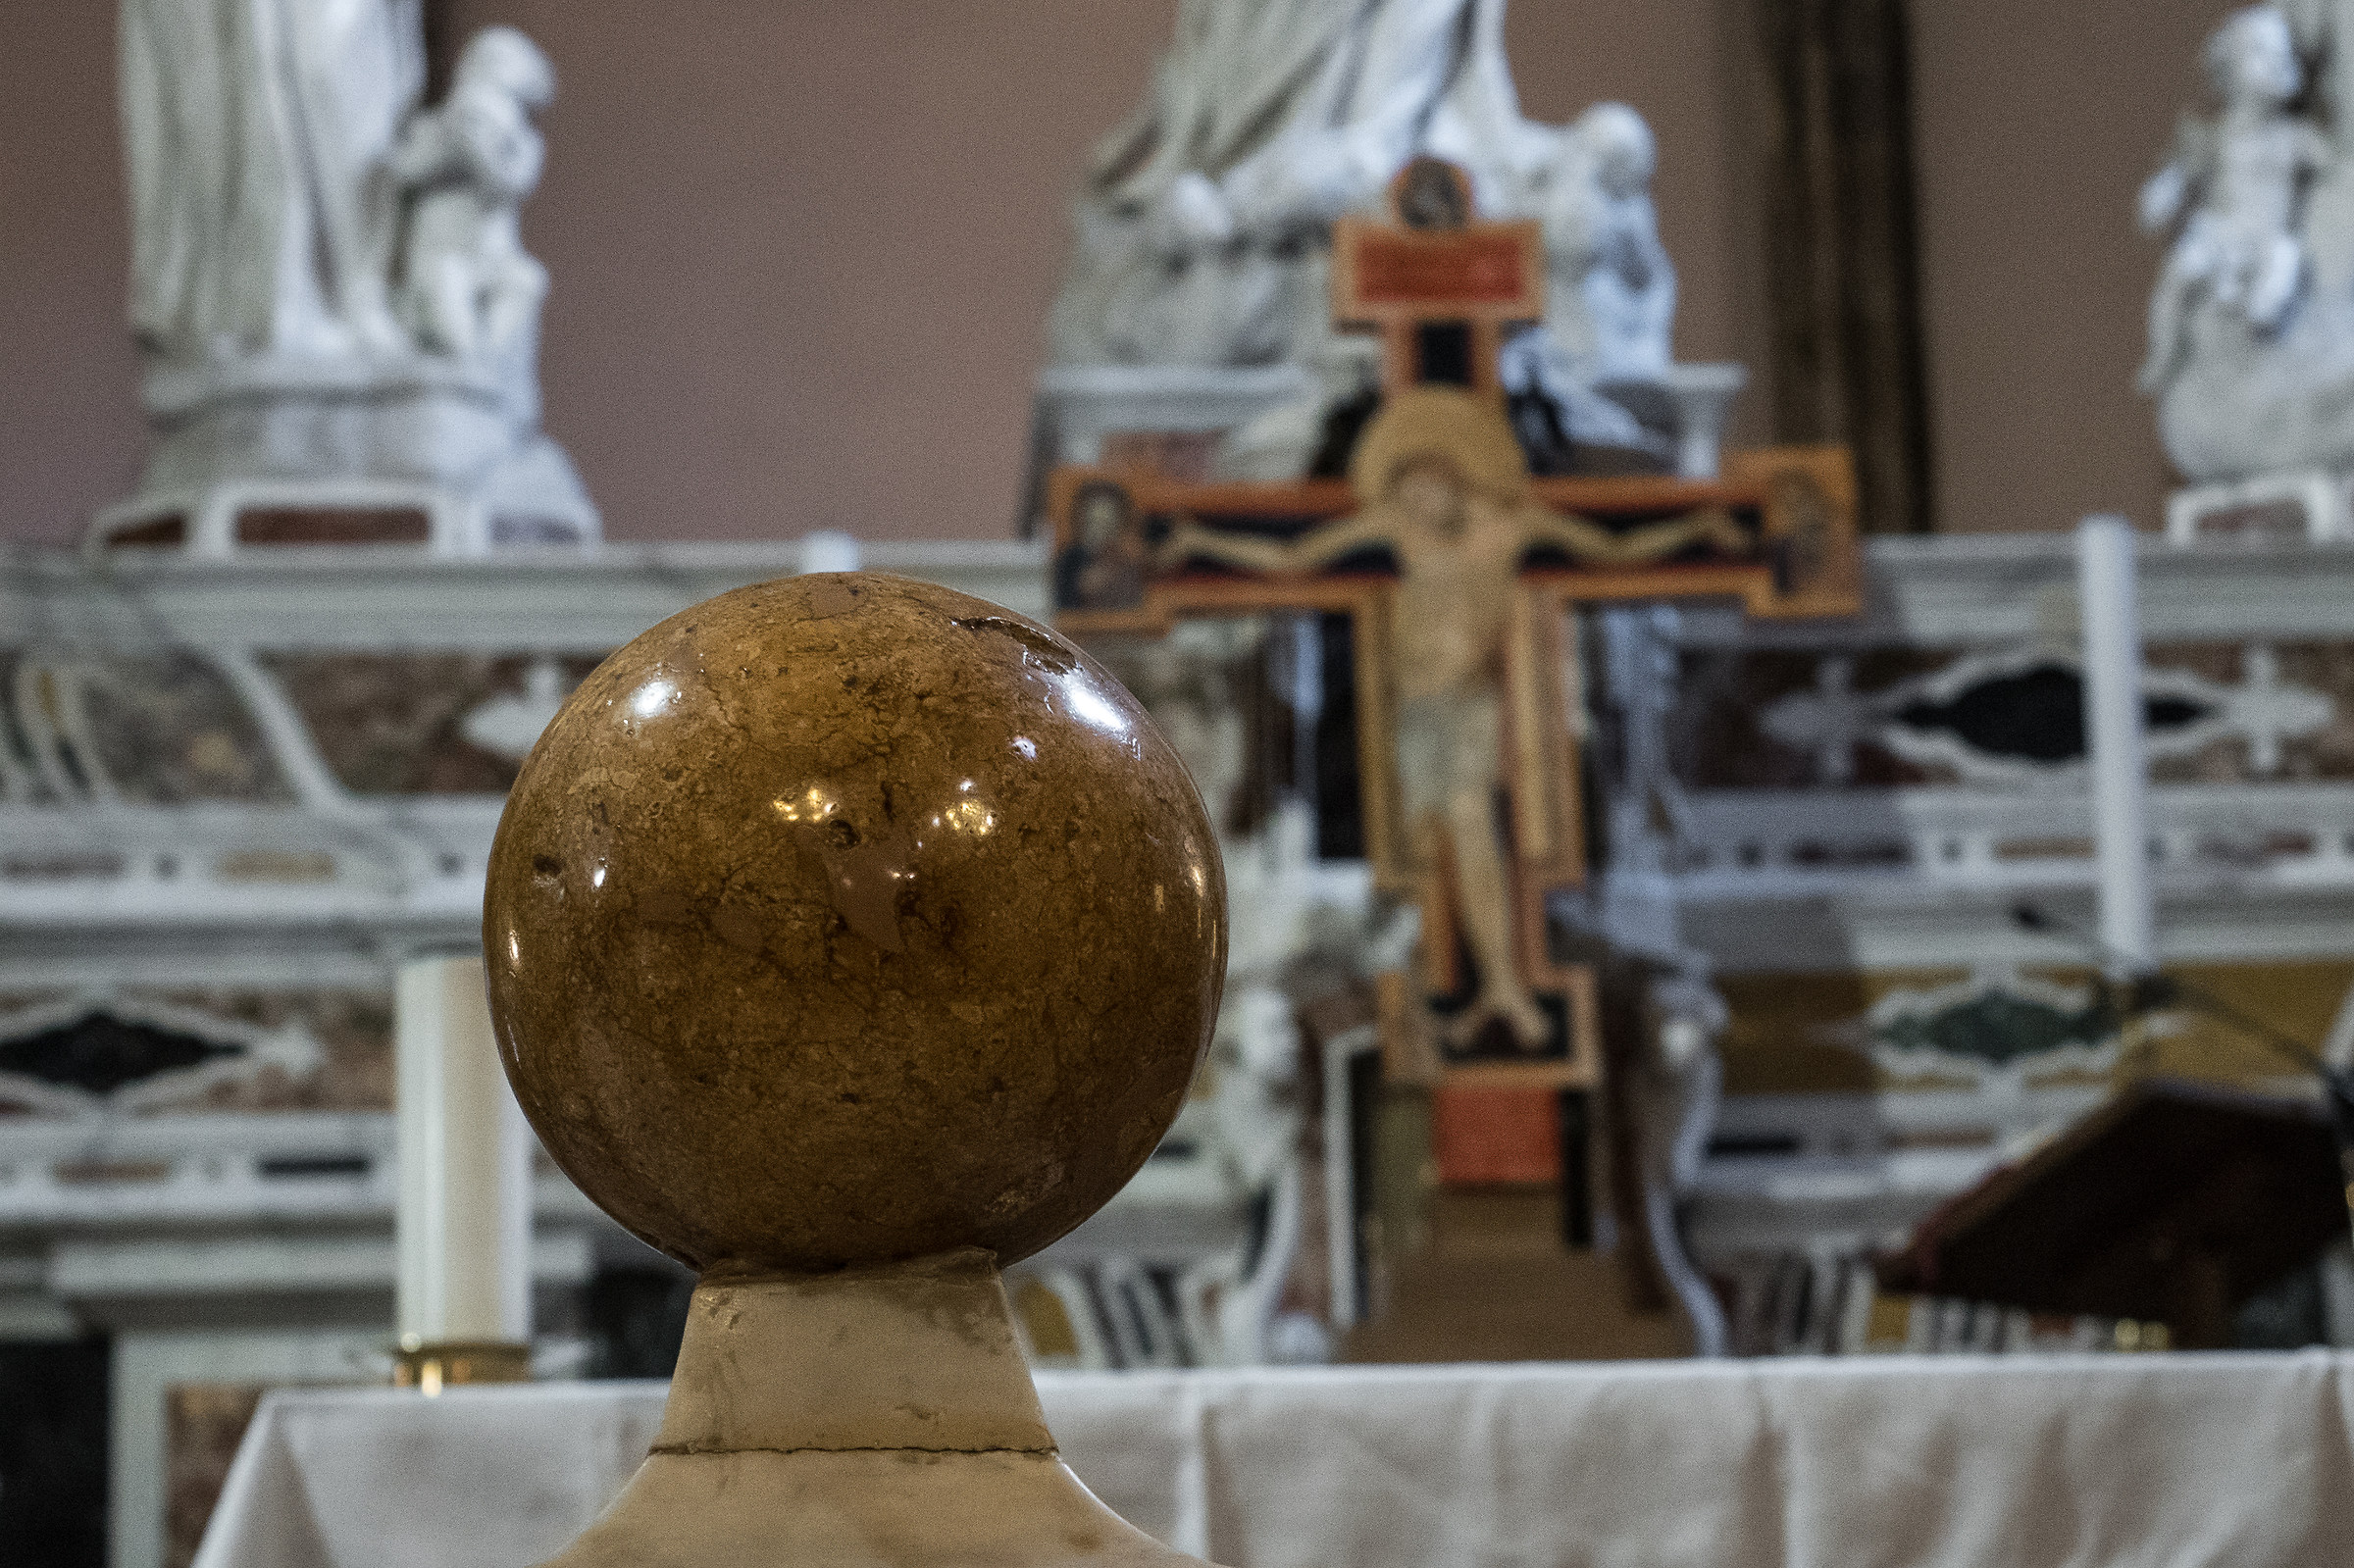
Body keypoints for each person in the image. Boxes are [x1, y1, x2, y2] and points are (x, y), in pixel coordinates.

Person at [1157, 387, 1744, 1050]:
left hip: (1476, 712)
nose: (1412, 502)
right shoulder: (1394, 531)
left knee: (1471, 830)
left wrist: (1699, 530)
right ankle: (1444, 995)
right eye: (1401, 490)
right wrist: (1201, 538)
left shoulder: (1509, 528)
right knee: (1428, 859)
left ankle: (1502, 987)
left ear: (1456, 480)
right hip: (1411, 722)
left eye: (1423, 487)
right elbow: (1293, 556)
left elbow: (1616, 551)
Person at [2140, 5, 2328, 393]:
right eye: (2261, 51)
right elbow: (2181, 175)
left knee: (2283, 264)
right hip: (2223, 232)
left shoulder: (2293, 137)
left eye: (2283, 53)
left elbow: (2334, 163)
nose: (2277, 62)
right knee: (2176, 280)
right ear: (2231, 68)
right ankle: (2163, 351)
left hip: (2267, 238)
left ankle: (2264, 338)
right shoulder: (2218, 137)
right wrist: (2167, 190)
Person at [391, 27, 558, 363]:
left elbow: (503, 179)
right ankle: (472, 369)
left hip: (491, 252)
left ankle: (487, 368)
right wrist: (446, 145)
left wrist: (506, 149)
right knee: (456, 342)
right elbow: (402, 171)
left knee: (525, 281)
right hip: (445, 253)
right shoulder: (445, 124)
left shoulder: (518, 140)